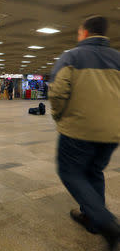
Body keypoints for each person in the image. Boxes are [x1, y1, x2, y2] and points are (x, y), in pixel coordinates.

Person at [49, 16, 119, 251]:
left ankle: (105, 221)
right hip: (112, 132)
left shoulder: (72, 56)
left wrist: (59, 117)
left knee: (71, 172)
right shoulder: (118, 58)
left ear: (85, 33)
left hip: (79, 129)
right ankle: (91, 220)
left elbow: (57, 93)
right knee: (94, 170)